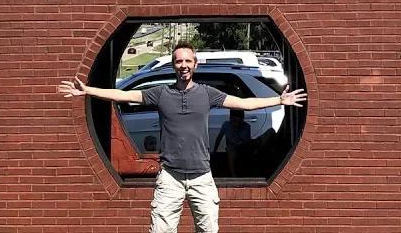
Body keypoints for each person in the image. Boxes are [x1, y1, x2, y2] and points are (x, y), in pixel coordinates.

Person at [59, 42, 306, 233]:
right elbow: (121, 95)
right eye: (179, 61)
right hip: (170, 177)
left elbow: (243, 102)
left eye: (188, 60)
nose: (184, 65)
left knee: (208, 229)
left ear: (195, 64)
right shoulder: (160, 94)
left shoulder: (208, 94)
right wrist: (87, 90)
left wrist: (279, 100)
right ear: (173, 65)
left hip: (201, 176)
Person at [213, 109, 254, 177]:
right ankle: (233, 174)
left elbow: (246, 141)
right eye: (234, 120)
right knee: (231, 150)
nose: (236, 123)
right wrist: (215, 150)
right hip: (231, 146)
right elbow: (219, 138)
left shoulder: (246, 126)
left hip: (242, 146)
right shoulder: (226, 125)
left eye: (239, 120)